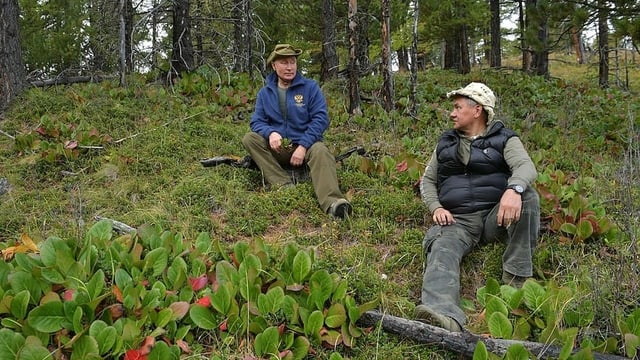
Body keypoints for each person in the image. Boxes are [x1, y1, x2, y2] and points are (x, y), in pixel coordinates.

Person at [415, 82, 540, 332]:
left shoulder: (505, 138)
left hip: (497, 216)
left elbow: (526, 168)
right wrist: (436, 207)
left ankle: (516, 281)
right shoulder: (445, 142)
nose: (452, 113)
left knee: (528, 196)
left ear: (477, 110)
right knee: (442, 247)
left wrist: (513, 190)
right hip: (458, 220)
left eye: (457, 107)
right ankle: (443, 315)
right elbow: (427, 180)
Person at [242, 43, 352, 219]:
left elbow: (321, 119)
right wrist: (271, 133)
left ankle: (333, 203)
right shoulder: (265, 93)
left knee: (321, 150)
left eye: (292, 62)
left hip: (306, 149)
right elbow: (256, 121)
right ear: (274, 65)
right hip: (278, 149)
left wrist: (303, 145)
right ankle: (283, 185)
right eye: (284, 63)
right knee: (250, 139)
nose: (289, 67)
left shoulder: (310, 88)